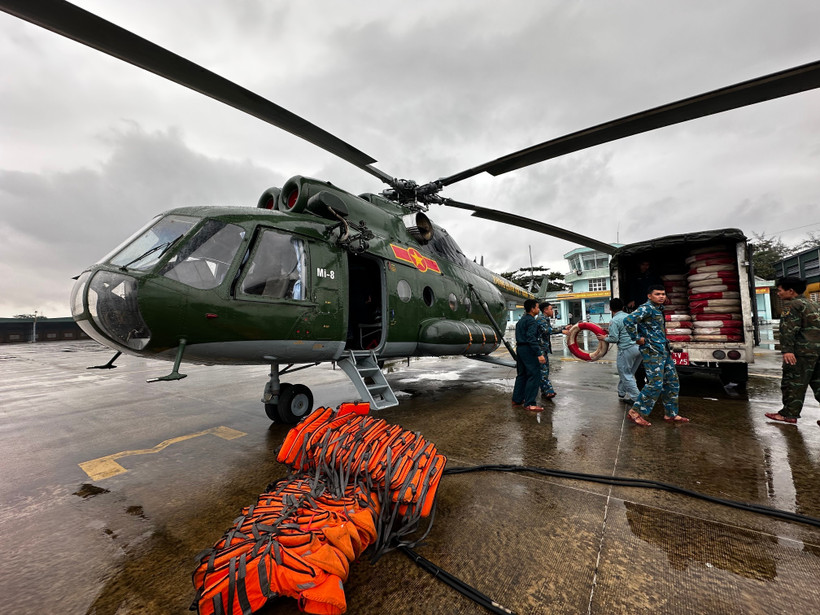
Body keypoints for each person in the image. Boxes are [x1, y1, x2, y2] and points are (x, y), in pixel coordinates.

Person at [622, 284, 690, 425]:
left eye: (663, 294)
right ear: (649, 296)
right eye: (658, 294)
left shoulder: (658, 309)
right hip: (652, 351)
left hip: (663, 349)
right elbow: (628, 320)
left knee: (672, 381)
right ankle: (636, 411)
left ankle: (671, 414)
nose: (661, 297)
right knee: (655, 384)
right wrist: (636, 338)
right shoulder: (646, 308)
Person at [764, 277, 820, 425]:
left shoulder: (793, 306)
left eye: (780, 290)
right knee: (818, 383)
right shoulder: (813, 304)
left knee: (793, 383)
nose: (778, 293)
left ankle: (788, 414)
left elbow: (788, 331)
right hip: (817, 351)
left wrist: (787, 350)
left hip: (801, 353)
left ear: (791, 291)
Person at [596, 298, 642, 405]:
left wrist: (604, 338)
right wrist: (610, 332)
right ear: (622, 307)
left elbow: (614, 339)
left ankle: (637, 399)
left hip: (626, 350)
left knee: (625, 374)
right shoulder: (629, 317)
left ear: (611, 308)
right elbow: (624, 332)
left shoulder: (614, 320)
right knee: (629, 373)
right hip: (638, 348)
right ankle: (621, 392)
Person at [512, 299, 547, 411]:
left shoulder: (521, 320)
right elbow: (531, 338)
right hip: (528, 349)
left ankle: (517, 399)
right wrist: (539, 354)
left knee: (522, 375)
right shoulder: (531, 321)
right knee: (534, 374)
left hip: (520, 349)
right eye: (537, 307)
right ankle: (530, 403)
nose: (538, 309)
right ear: (532, 309)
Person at [535, 302, 569, 399]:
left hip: (544, 348)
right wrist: (561, 331)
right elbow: (547, 330)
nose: (552, 311)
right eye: (550, 309)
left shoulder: (545, 319)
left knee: (545, 369)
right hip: (540, 348)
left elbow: (550, 328)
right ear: (545, 310)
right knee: (543, 370)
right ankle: (549, 390)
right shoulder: (541, 319)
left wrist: (563, 327)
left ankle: (544, 391)